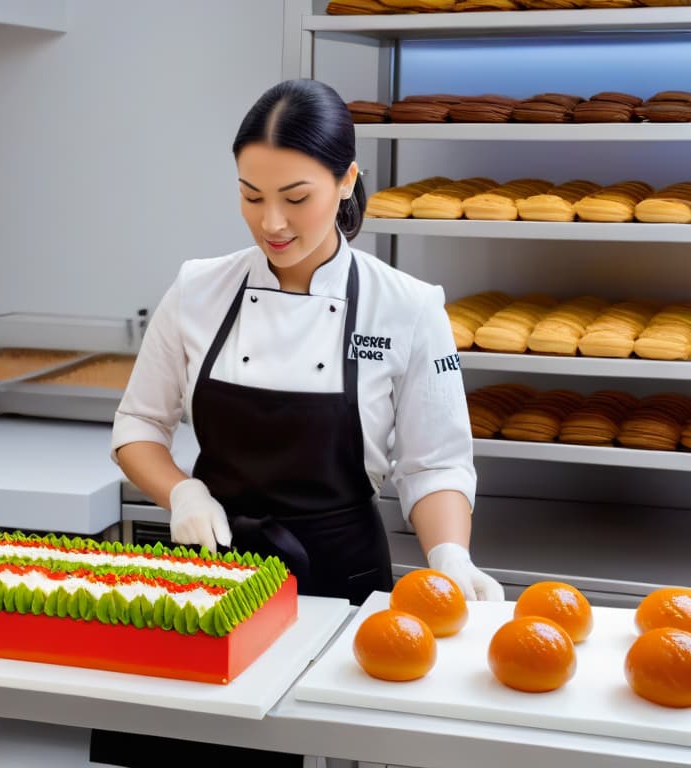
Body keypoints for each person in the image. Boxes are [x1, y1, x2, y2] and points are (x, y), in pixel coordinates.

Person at [91, 78, 503, 768]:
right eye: (251, 196)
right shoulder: (198, 287)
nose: (271, 224)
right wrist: (182, 494)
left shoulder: (406, 306)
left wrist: (449, 557)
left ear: (346, 182)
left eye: (296, 198)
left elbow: (433, 463)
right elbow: (136, 426)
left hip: (339, 587)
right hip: (213, 576)